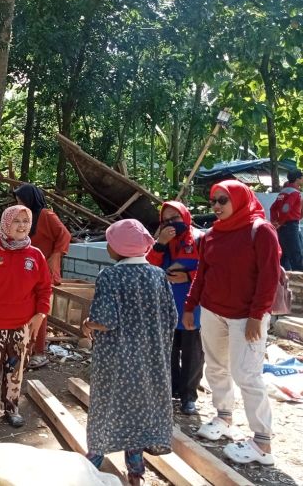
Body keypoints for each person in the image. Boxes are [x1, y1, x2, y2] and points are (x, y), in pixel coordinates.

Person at [184, 180, 279, 466]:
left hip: (246, 316)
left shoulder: (260, 230)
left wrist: (256, 315)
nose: (216, 206)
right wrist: (191, 306)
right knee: (215, 367)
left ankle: (263, 441)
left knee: (246, 374)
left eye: (223, 200)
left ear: (239, 200)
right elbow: (202, 273)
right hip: (213, 311)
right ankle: (223, 416)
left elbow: (269, 276)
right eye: (213, 201)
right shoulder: (213, 234)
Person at [82, 219, 177, 486]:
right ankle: (135, 473)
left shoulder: (110, 276)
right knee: (138, 413)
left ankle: (92, 464)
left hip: (117, 360)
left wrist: (88, 324)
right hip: (149, 360)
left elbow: (106, 320)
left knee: (107, 410)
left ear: (119, 248)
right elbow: (171, 317)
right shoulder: (158, 275)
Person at [0, 205, 52, 427]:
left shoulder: (35, 255)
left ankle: (11, 408)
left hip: (21, 325)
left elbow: (45, 288)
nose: (22, 226)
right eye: (17, 221)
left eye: (26, 221)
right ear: (6, 224)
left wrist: (40, 315)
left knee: (16, 369)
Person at [146, 201, 204, 415]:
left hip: (192, 307)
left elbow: (210, 271)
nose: (171, 223)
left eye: (175, 218)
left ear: (186, 217)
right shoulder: (162, 241)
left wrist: (187, 276)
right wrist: (160, 243)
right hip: (165, 308)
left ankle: (189, 395)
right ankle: (170, 390)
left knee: (192, 354)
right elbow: (150, 266)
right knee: (167, 353)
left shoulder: (199, 239)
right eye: (166, 220)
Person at [13, 184, 71, 368]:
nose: (18, 204)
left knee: (40, 310)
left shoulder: (47, 215)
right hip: (28, 270)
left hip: (45, 269)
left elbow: (65, 235)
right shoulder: (25, 218)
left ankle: (40, 352)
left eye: (21, 200)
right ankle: (26, 348)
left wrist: (56, 255)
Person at [270, 169, 303, 271]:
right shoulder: (295, 193)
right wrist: (280, 222)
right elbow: (286, 208)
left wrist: (275, 221)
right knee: (296, 257)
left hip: (284, 227)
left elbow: (273, 208)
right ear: (298, 179)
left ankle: (285, 282)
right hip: (290, 226)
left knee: (284, 257)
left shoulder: (283, 192)